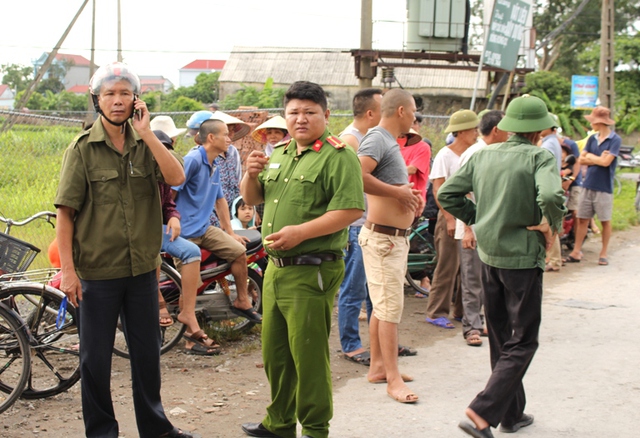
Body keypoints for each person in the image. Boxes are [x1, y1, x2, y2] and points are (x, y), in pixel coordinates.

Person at [54, 62, 198, 438]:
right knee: (95, 361)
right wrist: (68, 272)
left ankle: (156, 429)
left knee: (148, 356)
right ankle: (102, 432)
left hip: (141, 272)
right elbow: (65, 215)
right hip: (97, 275)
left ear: (136, 100)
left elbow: (177, 178)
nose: (117, 101)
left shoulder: (146, 144)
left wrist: (148, 134)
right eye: (109, 94)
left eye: (124, 93)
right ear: (97, 100)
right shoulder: (82, 149)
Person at [240, 81, 364, 438]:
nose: (301, 119)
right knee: (276, 353)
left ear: (325, 115)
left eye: (310, 112)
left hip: (313, 269)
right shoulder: (278, 153)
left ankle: (314, 429)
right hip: (276, 270)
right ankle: (278, 423)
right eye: (294, 112)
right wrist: (250, 174)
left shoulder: (339, 156)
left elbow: (350, 209)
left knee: (308, 357)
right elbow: (254, 196)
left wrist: (301, 232)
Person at [438, 94, 566, 437]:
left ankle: (512, 414)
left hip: (489, 254)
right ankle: (482, 412)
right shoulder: (540, 157)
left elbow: (447, 195)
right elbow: (553, 197)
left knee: (499, 335)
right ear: (540, 130)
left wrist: (480, 219)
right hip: (522, 258)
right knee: (523, 339)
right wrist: (551, 223)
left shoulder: (483, 154)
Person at [357, 88, 423, 404]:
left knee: (383, 307)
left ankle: (378, 367)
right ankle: (393, 379)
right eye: (413, 112)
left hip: (392, 239)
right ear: (400, 111)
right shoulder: (377, 138)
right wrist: (399, 195)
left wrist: (407, 195)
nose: (414, 117)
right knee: (390, 308)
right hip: (383, 239)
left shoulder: (388, 142)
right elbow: (357, 174)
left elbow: (388, 185)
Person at [172, 118, 262, 329]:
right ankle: (189, 334)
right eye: (225, 134)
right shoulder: (193, 160)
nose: (230, 139)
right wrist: (172, 222)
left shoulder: (215, 165)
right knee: (191, 283)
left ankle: (241, 299)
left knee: (239, 251)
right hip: (185, 233)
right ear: (211, 138)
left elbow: (220, 200)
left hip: (204, 229)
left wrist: (229, 231)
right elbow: (171, 193)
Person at [153, 130, 220, 355]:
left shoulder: (165, 174)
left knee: (192, 252)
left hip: (159, 228)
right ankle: (159, 299)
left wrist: (173, 216)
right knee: (148, 249)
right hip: (136, 233)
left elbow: (168, 205)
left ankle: (188, 311)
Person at [454, 110, 508, 347]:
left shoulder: (496, 152)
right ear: (496, 130)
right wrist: (468, 229)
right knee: (472, 279)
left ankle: (482, 321)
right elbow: (461, 192)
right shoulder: (474, 154)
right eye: (507, 128)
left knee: (489, 279)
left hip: (490, 227)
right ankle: (471, 327)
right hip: (473, 228)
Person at [338, 88, 383, 367]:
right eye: (384, 108)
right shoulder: (350, 140)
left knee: (373, 290)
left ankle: (380, 342)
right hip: (356, 226)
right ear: (370, 113)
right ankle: (351, 344)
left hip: (370, 223)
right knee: (353, 288)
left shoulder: (369, 137)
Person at [425, 109, 479, 329]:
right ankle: (436, 310)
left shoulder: (473, 153)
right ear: (462, 131)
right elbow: (438, 190)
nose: (476, 133)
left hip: (467, 217)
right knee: (447, 265)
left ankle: (461, 309)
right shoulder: (445, 155)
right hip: (450, 216)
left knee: (466, 266)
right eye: (474, 129)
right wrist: (448, 219)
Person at [564, 106, 621, 266]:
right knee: (582, 218)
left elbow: (606, 162)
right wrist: (596, 158)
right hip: (588, 183)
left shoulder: (615, 139)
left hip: (604, 186)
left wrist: (591, 157)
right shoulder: (592, 139)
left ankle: (603, 252)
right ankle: (576, 250)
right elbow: (581, 160)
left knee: (605, 220)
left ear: (599, 122)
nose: (591, 124)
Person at [208, 111, 250, 228]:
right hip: (210, 214)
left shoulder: (232, 151)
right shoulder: (202, 154)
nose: (230, 135)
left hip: (231, 210)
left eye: (231, 131)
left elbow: (237, 182)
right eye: (226, 132)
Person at [538, 116, 564, 272]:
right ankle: (554, 259)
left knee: (546, 224)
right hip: (554, 184)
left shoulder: (548, 145)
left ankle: (553, 260)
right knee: (550, 223)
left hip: (547, 187)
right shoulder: (553, 142)